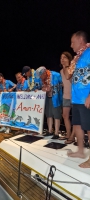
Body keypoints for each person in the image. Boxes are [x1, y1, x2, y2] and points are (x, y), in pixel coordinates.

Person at [63, 31, 90, 166]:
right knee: (78, 125)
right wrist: (68, 64)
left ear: (80, 40)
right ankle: (80, 151)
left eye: (73, 42)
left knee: (89, 127)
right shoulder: (77, 58)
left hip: (86, 98)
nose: (71, 45)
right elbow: (68, 76)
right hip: (76, 99)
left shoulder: (89, 52)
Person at [36, 66, 63, 139]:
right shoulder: (41, 79)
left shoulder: (55, 75)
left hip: (56, 97)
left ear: (44, 73)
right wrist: (42, 89)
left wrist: (53, 87)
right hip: (47, 98)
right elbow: (38, 86)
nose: (40, 78)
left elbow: (63, 84)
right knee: (48, 114)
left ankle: (56, 133)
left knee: (56, 115)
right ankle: (50, 131)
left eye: (41, 76)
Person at [60, 52, 75, 144]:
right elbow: (64, 82)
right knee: (65, 116)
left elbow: (68, 77)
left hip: (74, 96)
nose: (62, 59)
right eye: (61, 58)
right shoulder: (61, 71)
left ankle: (73, 136)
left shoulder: (72, 68)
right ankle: (68, 134)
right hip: (65, 96)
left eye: (64, 57)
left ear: (69, 59)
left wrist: (66, 67)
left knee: (75, 117)